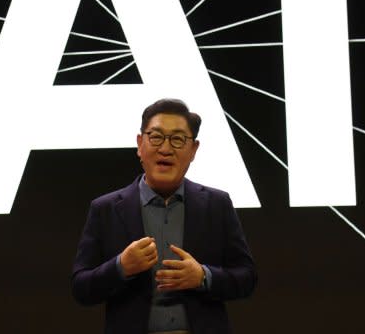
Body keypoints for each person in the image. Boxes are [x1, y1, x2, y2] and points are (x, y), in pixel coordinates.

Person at [72, 98, 256, 334]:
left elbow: (247, 278)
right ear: (140, 144)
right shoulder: (105, 209)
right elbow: (81, 288)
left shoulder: (216, 204)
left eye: (178, 139)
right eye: (156, 137)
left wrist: (203, 276)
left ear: (193, 150)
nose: (166, 149)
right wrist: (120, 267)